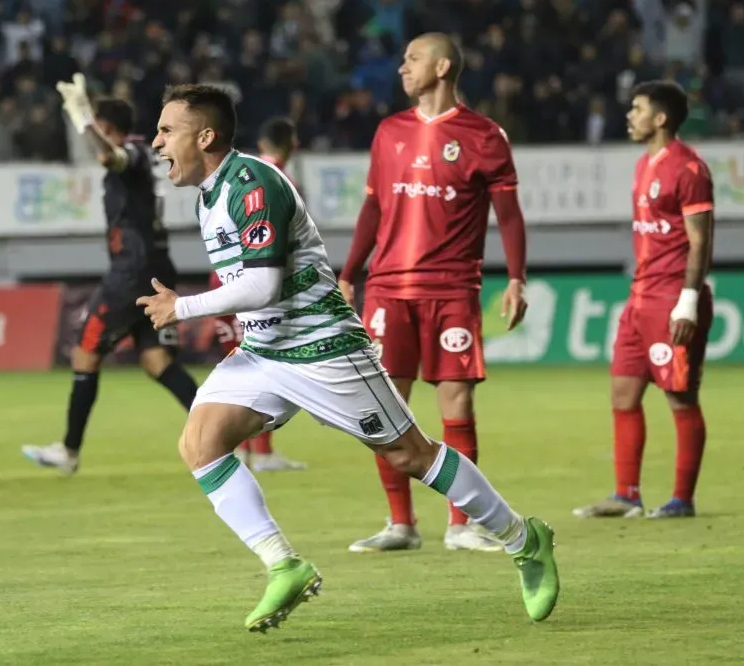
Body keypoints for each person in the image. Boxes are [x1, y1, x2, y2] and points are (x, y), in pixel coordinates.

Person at [137, 82, 559, 632]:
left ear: (206, 135)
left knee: (411, 455)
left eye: (167, 130)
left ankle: (524, 541)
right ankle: (283, 564)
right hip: (266, 351)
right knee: (200, 442)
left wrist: (184, 306)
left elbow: (262, 285)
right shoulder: (210, 195)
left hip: (323, 348)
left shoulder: (253, 183)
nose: (157, 142)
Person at [338, 34, 529, 553]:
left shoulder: (485, 136)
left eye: (413, 59)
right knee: (383, 408)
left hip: (452, 288)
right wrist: (349, 272)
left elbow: (508, 214)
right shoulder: (389, 131)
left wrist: (516, 278)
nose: (402, 68)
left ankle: (461, 524)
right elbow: (373, 211)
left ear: (443, 66)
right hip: (389, 288)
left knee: (457, 401)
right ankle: (401, 523)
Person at [22, 75, 199, 475]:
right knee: (157, 362)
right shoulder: (141, 156)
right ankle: (222, 436)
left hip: (131, 273)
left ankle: (68, 451)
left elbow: (108, 156)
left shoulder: (133, 152)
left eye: (97, 128)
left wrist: (82, 118)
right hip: (155, 267)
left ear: (108, 128)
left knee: (86, 353)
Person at [574, 81, 714, 519]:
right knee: (622, 393)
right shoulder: (642, 166)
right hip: (639, 298)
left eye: (637, 109)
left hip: (672, 299)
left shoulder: (689, 169)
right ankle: (626, 495)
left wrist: (688, 300)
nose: (629, 116)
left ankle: (681, 499)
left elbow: (700, 241)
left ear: (661, 118)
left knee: (680, 398)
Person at [210, 116, 306, 472]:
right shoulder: (280, 179)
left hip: (225, 284)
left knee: (244, 369)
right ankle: (251, 450)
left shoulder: (239, 176)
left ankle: (247, 450)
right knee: (264, 366)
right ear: (291, 144)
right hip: (254, 291)